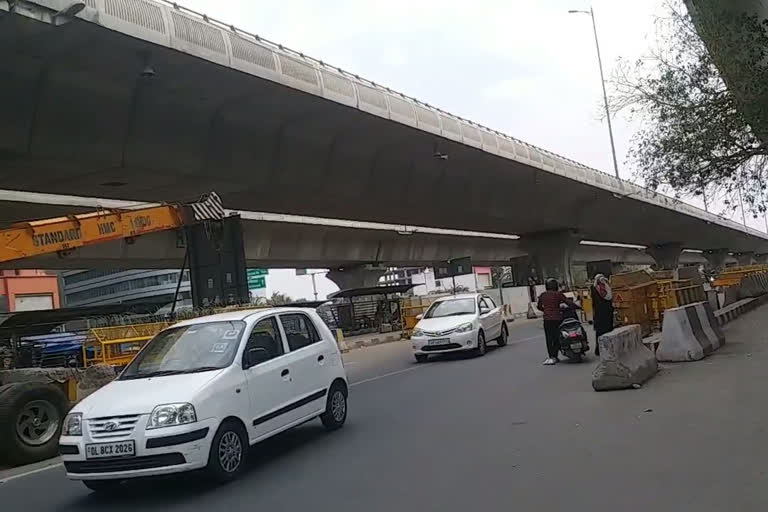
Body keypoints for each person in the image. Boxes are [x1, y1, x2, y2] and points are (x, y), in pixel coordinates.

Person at [537, 278, 567, 365]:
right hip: (558, 319)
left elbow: (539, 306)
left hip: (547, 320)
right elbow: (568, 302)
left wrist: (546, 310)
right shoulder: (558, 294)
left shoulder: (543, 295)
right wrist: (577, 306)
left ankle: (552, 356)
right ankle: (556, 354)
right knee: (557, 337)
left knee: (549, 338)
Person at [590, 274, 614, 356]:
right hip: (601, 314)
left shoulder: (605, 287)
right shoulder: (595, 288)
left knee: (607, 331)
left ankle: (606, 349)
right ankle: (600, 349)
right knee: (601, 332)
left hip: (605, 313)